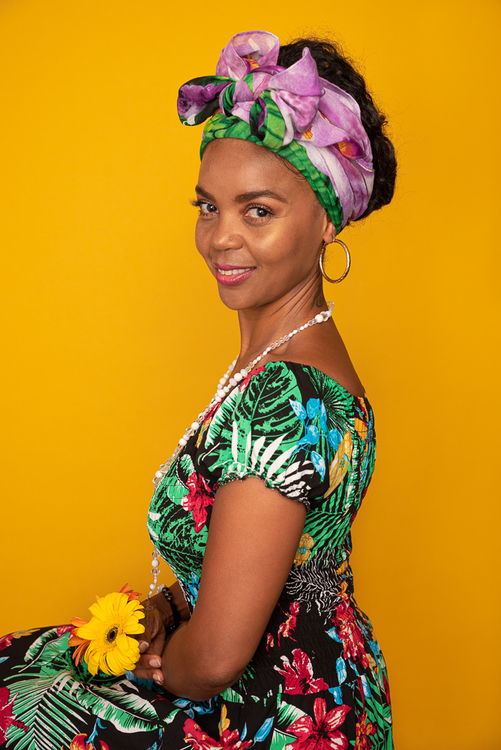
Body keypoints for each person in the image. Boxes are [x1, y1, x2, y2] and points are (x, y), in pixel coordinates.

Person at [0, 29, 396, 750]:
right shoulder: (290, 362)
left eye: (258, 211)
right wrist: (171, 605)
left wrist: (152, 668)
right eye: (207, 206)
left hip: (274, 713)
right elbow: (277, 562)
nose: (219, 238)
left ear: (325, 219)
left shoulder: (285, 397)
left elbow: (212, 662)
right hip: (324, 672)